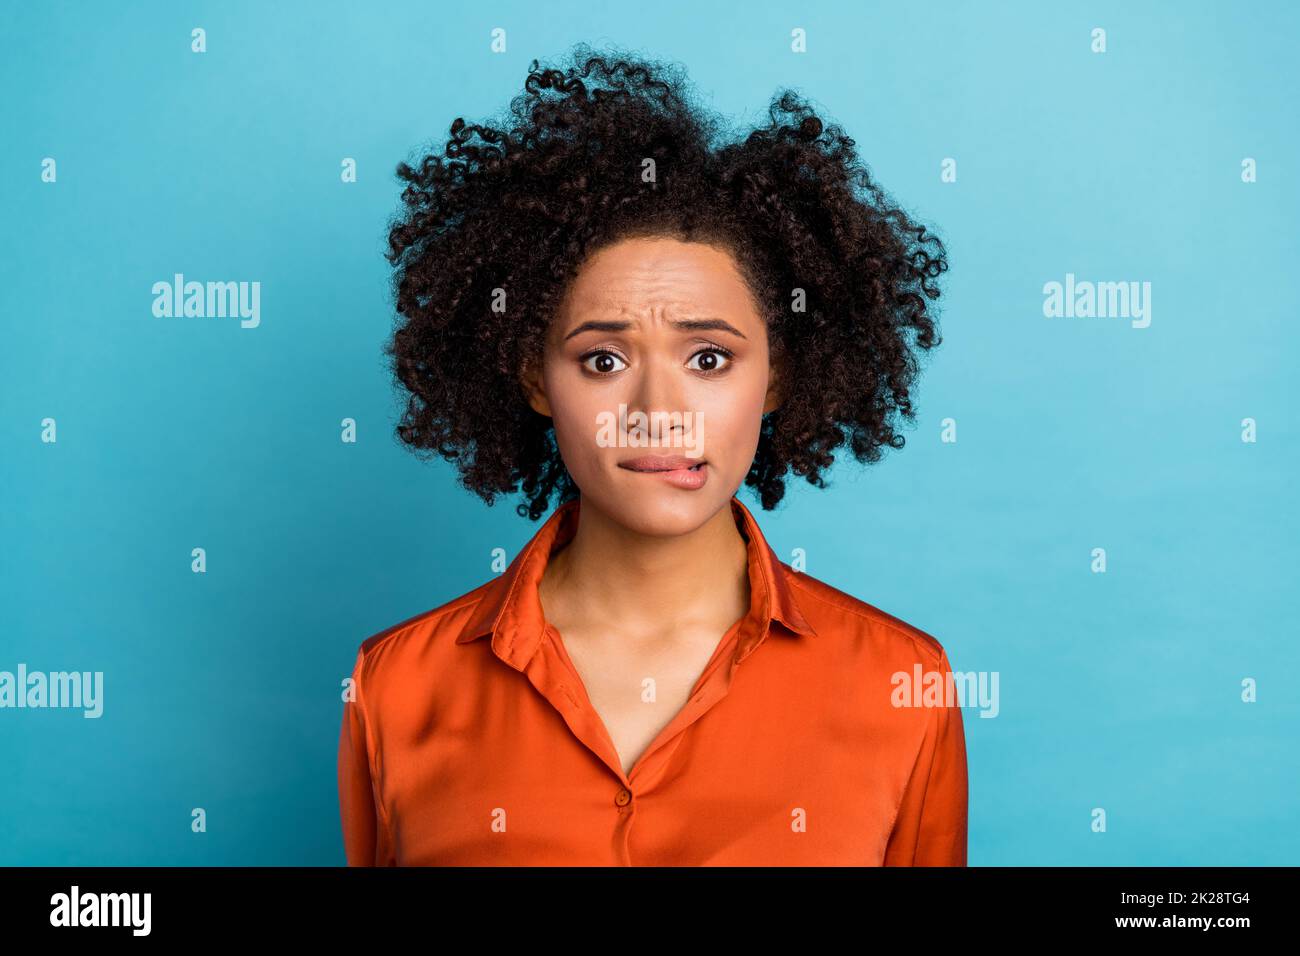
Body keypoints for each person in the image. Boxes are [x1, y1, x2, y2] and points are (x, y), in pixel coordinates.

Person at [338, 44, 966, 866]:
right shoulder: (393, 686)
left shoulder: (903, 684)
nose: (657, 414)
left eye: (709, 358)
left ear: (777, 378)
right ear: (534, 378)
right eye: (604, 360)